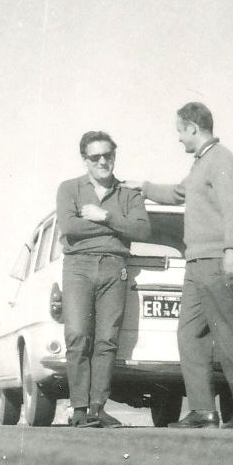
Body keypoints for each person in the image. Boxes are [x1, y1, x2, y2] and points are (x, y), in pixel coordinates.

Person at [125, 102, 233, 429]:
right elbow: (177, 193)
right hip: (196, 263)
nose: (178, 138)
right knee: (189, 335)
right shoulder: (200, 164)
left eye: (180, 131)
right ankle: (203, 411)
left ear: (192, 128)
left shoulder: (222, 160)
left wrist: (232, 250)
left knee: (230, 336)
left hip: (218, 261)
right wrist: (143, 187)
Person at [56, 131, 151, 428]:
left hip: (114, 267)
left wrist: (105, 217)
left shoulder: (129, 194)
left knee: (107, 339)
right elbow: (69, 227)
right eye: (95, 156)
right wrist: (119, 227)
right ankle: (79, 408)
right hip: (78, 267)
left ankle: (98, 408)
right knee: (77, 335)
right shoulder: (69, 188)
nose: (102, 161)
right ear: (84, 159)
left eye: (107, 155)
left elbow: (142, 230)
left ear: (114, 156)